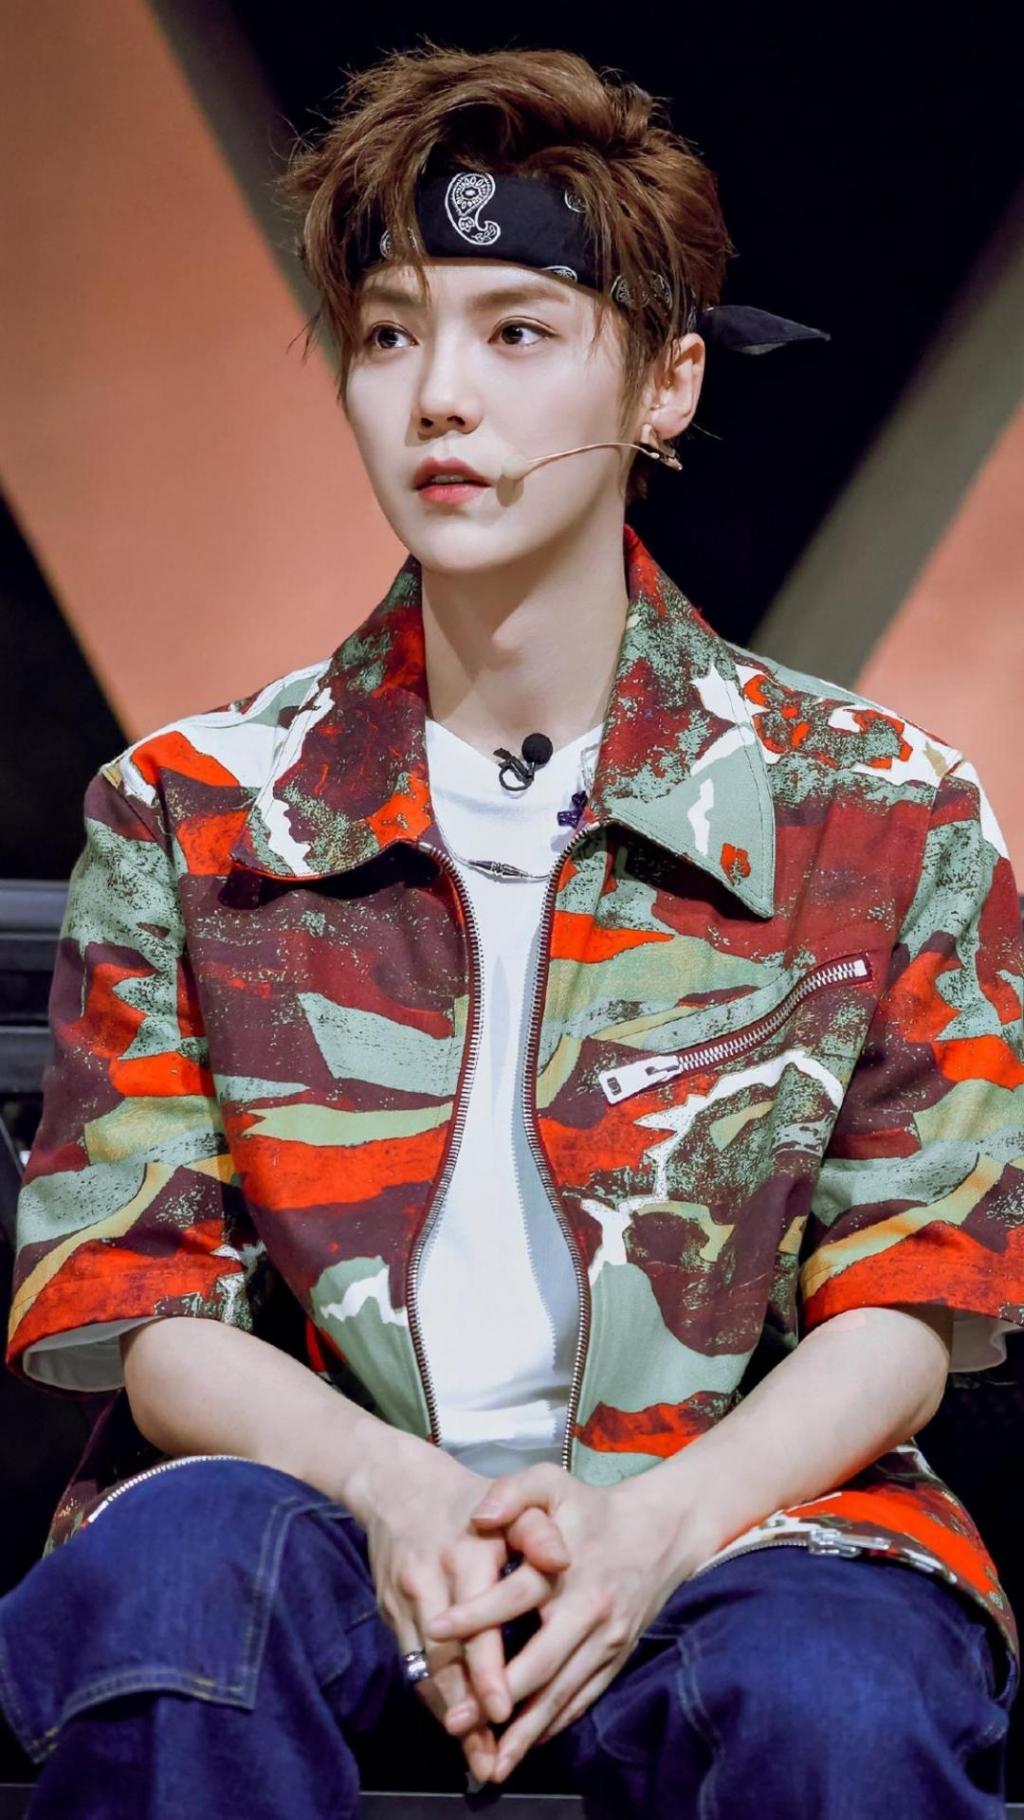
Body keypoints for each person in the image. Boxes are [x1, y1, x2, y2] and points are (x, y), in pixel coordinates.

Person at [1, 37, 1022, 1820]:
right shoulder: (189, 808)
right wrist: (402, 1494)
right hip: (312, 1517)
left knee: (842, 1704)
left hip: (738, 1524)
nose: (440, 399)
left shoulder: (878, 809)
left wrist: (654, 1530)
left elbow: (913, 1292)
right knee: (175, 1602)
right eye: (392, 333)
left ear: (669, 384)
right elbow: (141, 1299)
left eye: (518, 331)